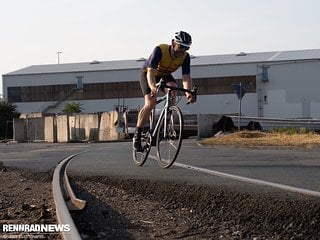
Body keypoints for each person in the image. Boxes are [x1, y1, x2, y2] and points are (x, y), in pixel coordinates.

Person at [133, 31, 195, 151]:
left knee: (173, 87)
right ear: (173, 43)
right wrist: (152, 87)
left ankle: (166, 123)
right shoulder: (160, 50)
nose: (183, 50)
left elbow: (186, 77)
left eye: (186, 48)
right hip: (148, 74)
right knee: (150, 103)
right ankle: (138, 134)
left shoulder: (185, 57)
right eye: (181, 46)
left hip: (164, 75)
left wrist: (188, 93)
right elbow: (151, 72)